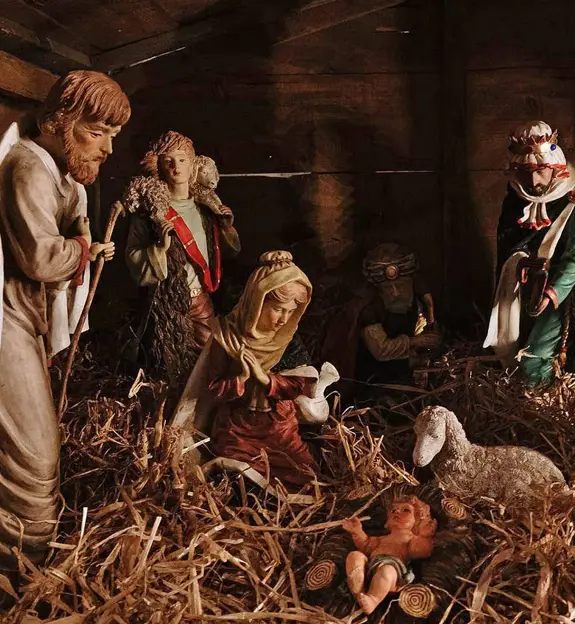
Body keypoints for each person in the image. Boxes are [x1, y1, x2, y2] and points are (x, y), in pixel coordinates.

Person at [0, 70, 129, 568]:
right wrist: (82, 249)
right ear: (58, 123)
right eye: (95, 133)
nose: (107, 149)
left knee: (33, 441)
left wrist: (81, 226)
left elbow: (73, 215)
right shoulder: (28, 168)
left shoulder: (60, 172)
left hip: (27, 318)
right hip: (6, 319)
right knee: (36, 451)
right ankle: (21, 558)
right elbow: (38, 256)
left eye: (111, 136)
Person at [172, 251, 338, 487]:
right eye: (278, 309)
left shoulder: (288, 340)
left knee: (302, 473)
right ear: (257, 302)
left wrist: (265, 379)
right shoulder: (227, 338)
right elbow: (212, 389)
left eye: (291, 311)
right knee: (234, 471)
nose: (284, 319)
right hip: (237, 427)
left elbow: (300, 385)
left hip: (279, 426)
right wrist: (240, 378)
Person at [484, 121, 575, 387]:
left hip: (559, 299)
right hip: (518, 291)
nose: (533, 181)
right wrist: (518, 263)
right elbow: (507, 245)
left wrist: (550, 294)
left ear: (555, 168)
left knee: (535, 358)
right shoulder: (514, 202)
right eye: (525, 172)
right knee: (512, 350)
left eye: (540, 171)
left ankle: (539, 400)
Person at [124, 131, 240, 381]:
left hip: (201, 299)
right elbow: (132, 257)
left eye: (182, 160)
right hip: (166, 302)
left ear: (192, 165)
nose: (176, 167)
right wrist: (159, 248)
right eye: (168, 161)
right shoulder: (150, 213)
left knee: (209, 360)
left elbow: (227, 254)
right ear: (159, 167)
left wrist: (226, 228)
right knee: (170, 361)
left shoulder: (206, 209)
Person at [322, 243, 442, 387]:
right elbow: (381, 350)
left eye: (400, 286)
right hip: (374, 382)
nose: (395, 293)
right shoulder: (372, 310)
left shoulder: (419, 302)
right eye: (387, 288)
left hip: (404, 374)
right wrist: (415, 342)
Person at [342, 495, 436, 614]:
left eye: (406, 510)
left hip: (393, 574)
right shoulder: (382, 539)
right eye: (393, 510)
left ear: (417, 520)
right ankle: (358, 593)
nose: (397, 512)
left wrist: (425, 536)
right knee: (354, 556)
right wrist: (357, 531)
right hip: (371, 568)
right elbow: (366, 545)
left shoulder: (410, 539)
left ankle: (373, 600)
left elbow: (421, 550)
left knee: (386, 571)